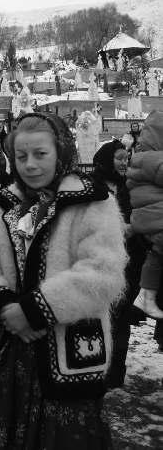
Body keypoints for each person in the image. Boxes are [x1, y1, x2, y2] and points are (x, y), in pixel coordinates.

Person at [0, 112, 126, 449]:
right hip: (14, 348)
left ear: (60, 152)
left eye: (41, 154)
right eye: (21, 156)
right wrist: (2, 305)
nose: (30, 165)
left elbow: (102, 271)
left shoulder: (91, 202)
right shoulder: (0, 204)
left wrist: (34, 309)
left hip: (68, 349)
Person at [91, 140, 147, 387]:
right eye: (119, 158)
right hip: (98, 260)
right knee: (99, 316)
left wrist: (133, 228)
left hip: (128, 261)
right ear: (106, 159)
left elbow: (144, 215)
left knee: (121, 318)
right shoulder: (92, 186)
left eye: (127, 158)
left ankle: (115, 373)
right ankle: (95, 366)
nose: (124, 162)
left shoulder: (131, 186)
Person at [128, 112, 163, 319]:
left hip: (151, 216)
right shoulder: (153, 159)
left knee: (157, 255)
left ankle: (146, 295)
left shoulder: (143, 156)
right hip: (154, 216)